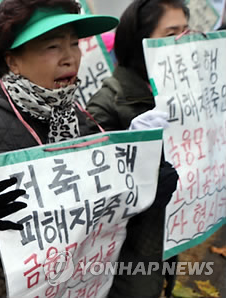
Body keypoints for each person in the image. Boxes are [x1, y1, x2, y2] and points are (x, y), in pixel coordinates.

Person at [0, 0, 119, 296]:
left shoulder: (75, 115)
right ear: (12, 60)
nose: (69, 58)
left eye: (75, 44)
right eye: (52, 47)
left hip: (67, 277)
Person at [84, 0, 187, 296]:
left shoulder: (179, 91)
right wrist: (133, 159)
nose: (181, 41)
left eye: (185, 31)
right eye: (171, 33)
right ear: (140, 40)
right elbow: (91, 198)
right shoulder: (108, 103)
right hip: (126, 261)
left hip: (168, 241)